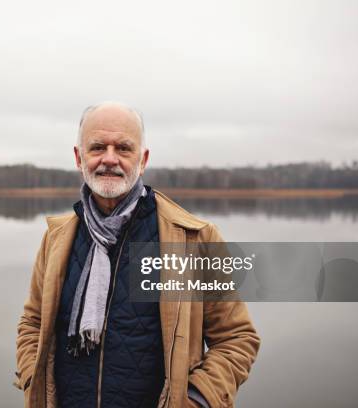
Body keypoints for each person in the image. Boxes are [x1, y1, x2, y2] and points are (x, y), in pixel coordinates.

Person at [15, 102, 260, 407]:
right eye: (97, 147)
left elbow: (236, 339)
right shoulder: (57, 238)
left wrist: (196, 400)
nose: (109, 158)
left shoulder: (194, 240)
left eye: (123, 148)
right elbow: (32, 323)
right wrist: (32, 379)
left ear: (143, 160)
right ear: (79, 158)